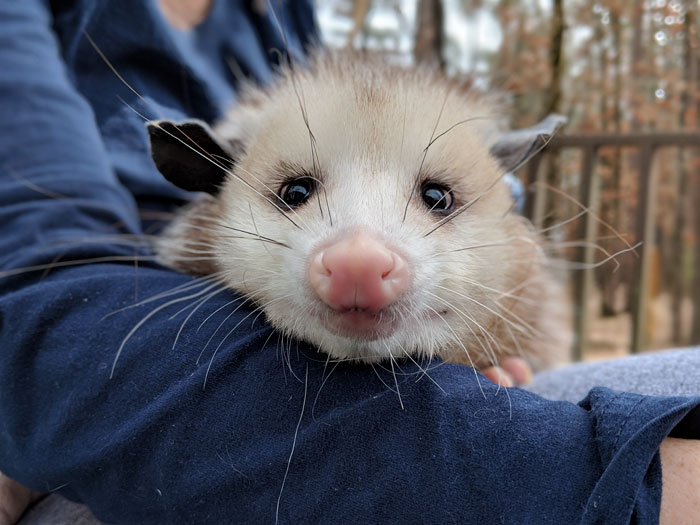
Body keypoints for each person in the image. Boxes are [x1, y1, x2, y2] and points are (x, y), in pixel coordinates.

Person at [0, 1, 699, 523]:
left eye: (434, 198)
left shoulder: (277, 9)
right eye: (297, 194)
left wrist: (461, 376)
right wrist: (615, 487)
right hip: (130, 419)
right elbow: (37, 319)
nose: (363, 257)